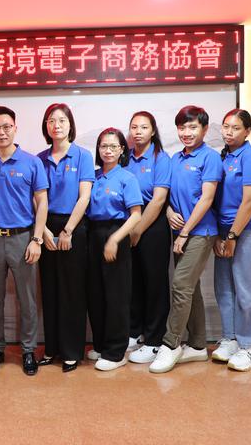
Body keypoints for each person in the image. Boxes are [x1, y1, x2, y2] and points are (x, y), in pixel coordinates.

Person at [0, 105, 48, 376]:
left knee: (27, 300)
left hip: (23, 238)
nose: (1, 132)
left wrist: (37, 239)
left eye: (6, 127)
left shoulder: (32, 162)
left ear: (15, 129)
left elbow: (42, 202)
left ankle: (28, 351)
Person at [150, 105, 222, 374]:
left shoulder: (210, 157)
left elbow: (206, 199)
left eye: (193, 127)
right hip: (180, 231)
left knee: (180, 285)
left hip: (201, 232)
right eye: (182, 127)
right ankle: (198, 345)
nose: (187, 132)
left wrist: (183, 233)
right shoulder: (175, 158)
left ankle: (171, 344)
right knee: (190, 287)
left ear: (204, 129)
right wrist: (169, 213)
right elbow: (168, 195)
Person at [212, 109, 251, 371]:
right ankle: (231, 339)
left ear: (247, 131)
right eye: (226, 126)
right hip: (225, 231)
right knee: (225, 288)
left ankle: (250, 348)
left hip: (249, 230)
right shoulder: (222, 157)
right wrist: (220, 234)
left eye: (236, 128)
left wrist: (233, 236)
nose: (229, 132)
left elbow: (249, 201)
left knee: (247, 290)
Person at [36, 104, 94, 372]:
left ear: (70, 124)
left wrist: (68, 231)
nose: (56, 125)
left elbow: (85, 196)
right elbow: (35, 198)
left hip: (74, 227)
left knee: (72, 291)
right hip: (46, 227)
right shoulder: (39, 159)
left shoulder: (82, 156)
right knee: (50, 290)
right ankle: (52, 349)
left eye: (61, 120)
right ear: (46, 126)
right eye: (51, 120)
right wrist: (44, 232)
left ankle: (71, 351)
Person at [86, 128, 142, 371]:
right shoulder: (93, 177)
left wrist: (115, 239)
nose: (107, 150)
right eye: (103, 146)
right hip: (92, 234)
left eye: (113, 146)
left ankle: (116, 352)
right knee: (96, 293)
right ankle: (101, 345)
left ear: (121, 150)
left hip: (116, 234)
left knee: (116, 296)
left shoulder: (127, 178)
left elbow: (136, 215)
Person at [124, 112, 173, 364]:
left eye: (144, 127)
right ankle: (136, 332)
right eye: (134, 127)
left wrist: (138, 230)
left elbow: (158, 200)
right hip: (130, 222)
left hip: (152, 226)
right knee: (134, 282)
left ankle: (154, 341)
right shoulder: (126, 158)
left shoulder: (160, 158)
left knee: (155, 284)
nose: (138, 132)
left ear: (153, 131)